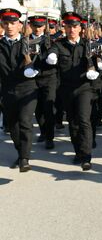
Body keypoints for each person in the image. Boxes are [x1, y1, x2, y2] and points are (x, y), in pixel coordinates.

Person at [48, 12, 98, 171]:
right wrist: (51, 56)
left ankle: (86, 156)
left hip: (84, 87)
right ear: (64, 27)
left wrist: (98, 66)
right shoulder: (59, 44)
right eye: (68, 26)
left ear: (80, 28)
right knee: (73, 122)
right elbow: (52, 52)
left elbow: (99, 59)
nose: (71, 29)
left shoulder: (87, 45)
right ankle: (78, 152)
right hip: (67, 89)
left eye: (75, 26)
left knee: (83, 120)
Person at [0, 8, 40, 172]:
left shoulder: (30, 43)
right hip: (7, 90)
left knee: (25, 122)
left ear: (19, 25)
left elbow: (41, 61)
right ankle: (20, 151)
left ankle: (24, 158)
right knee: (12, 125)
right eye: (6, 23)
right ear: (2, 24)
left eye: (13, 23)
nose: (10, 26)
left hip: (27, 89)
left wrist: (36, 68)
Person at [29, 15, 57, 149]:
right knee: (38, 110)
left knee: (48, 108)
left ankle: (50, 137)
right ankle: (43, 131)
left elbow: (54, 54)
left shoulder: (50, 41)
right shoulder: (25, 41)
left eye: (40, 26)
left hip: (48, 78)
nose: (37, 28)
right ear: (30, 26)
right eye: (34, 25)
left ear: (44, 27)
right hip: (33, 79)